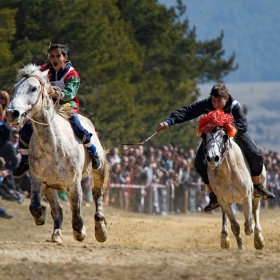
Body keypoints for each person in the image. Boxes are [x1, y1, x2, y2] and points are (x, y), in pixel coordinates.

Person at [157, 83, 275, 212]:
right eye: (214, 99)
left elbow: (243, 125)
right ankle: (213, 195)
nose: (216, 103)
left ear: (226, 98)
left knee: (255, 154)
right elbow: (188, 111)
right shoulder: (207, 104)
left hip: (235, 134)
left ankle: (257, 186)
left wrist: (228, 129)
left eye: (219, 99)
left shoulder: (234, 105)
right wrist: (169, 122)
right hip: (213, 138)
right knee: (199, 163)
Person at [13, 44, 100, 178]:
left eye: (58, 56)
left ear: (65, 58)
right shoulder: (45, 69)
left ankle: (92, 151)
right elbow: (33, 74)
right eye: (52, 56)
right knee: (25, 130)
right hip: (47, 107)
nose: (54, 59)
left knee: (77, 126)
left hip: (66, 105)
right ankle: (24, 161)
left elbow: (70, 93)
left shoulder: (72, 73)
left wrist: (57, 92)